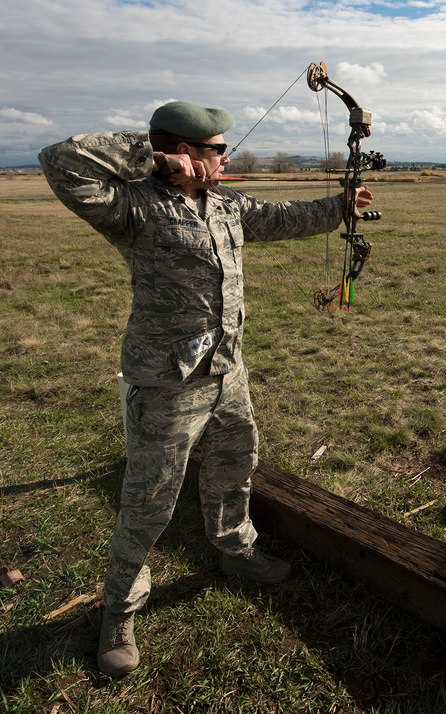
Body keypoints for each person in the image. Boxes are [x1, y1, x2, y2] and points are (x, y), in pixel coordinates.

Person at [38, 100, 374, 678]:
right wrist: (153, 156)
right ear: (188, 152)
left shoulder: (226, 204)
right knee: (149, 501)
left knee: (233, 466)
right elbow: (60, 161)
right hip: (166, 381)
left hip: (228, 371)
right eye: (219, 148)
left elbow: (281, 218)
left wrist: (340, 206)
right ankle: (119, 610)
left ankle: (236, 552)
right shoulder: (133, 206)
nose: (227, 156)